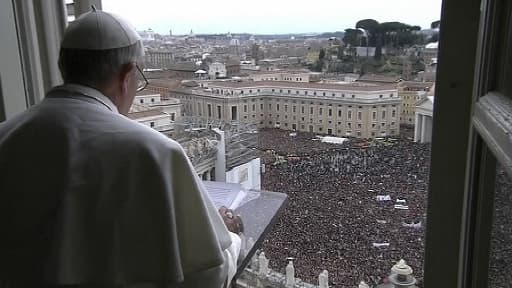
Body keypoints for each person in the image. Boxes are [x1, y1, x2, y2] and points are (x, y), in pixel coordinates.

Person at [0, 7, 242, 288]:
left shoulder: (5, 135)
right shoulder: (155, 152)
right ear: (127, 75)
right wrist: (231, 238)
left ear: (64, 66)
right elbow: (208, 275)